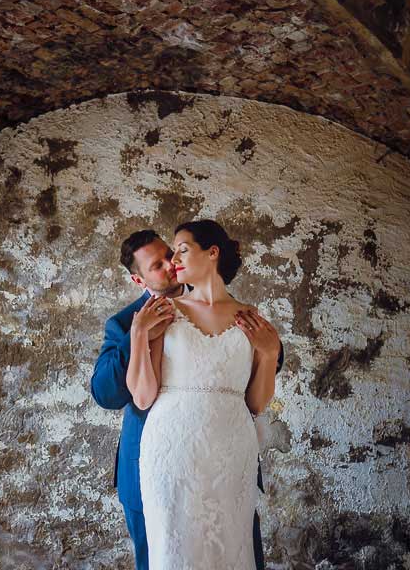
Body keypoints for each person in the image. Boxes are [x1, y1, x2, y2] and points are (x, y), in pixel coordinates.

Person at [91, 228, 281, 570]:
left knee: (236, 552)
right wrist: (138, 332)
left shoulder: (239, 314)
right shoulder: (129, 322)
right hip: (163, 457)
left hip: (228, 457)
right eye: (158, 264)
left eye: (173, 253)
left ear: (210, 254)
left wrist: (264, 353)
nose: (170, 264)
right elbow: (108, 393)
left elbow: (253, 383)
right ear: (139, 279)